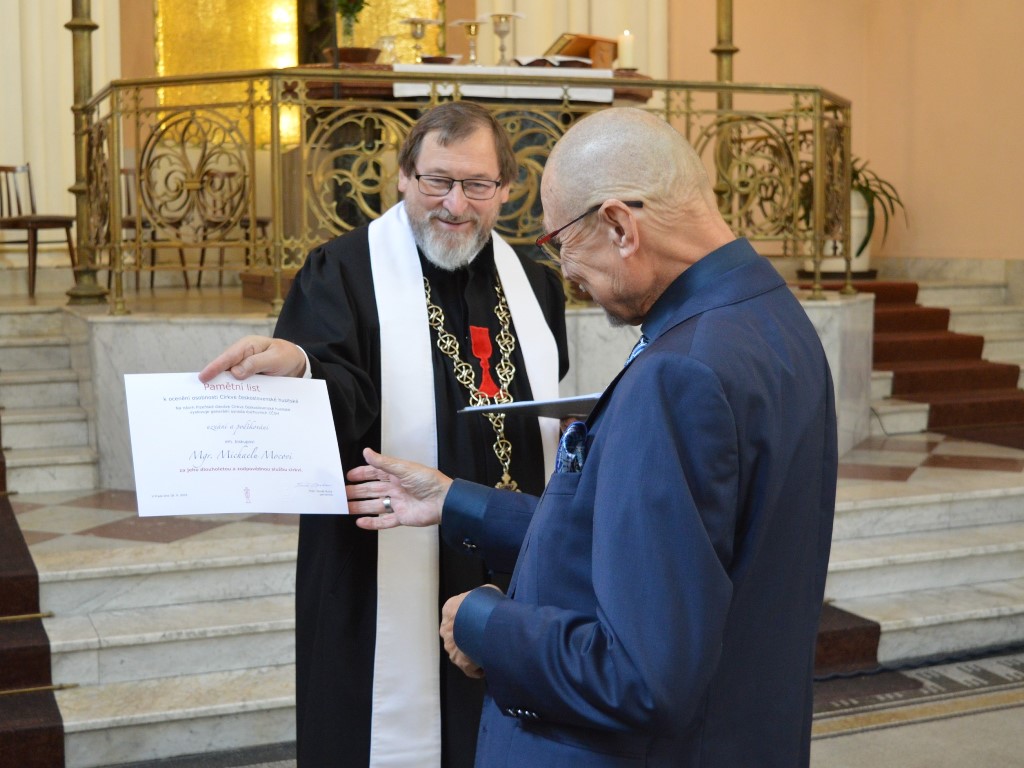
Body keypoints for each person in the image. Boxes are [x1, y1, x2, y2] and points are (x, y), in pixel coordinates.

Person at [345, 107, 838, 767]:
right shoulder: (769, 317)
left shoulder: (680, 374)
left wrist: (483, 623)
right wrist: (457, 500)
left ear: (618, 225)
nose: (568, 275)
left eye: (559, 240)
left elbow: (634, 675)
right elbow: (670, 551)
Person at [199, 101, 569, 768]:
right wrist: (302, 366)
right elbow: (343, 396)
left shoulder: (536, 284)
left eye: (477, 185)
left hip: (505, 552)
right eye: (437, 181)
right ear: (401, 178)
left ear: (506, 191)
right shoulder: (340, 270)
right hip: (383, 559)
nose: (455, 205)